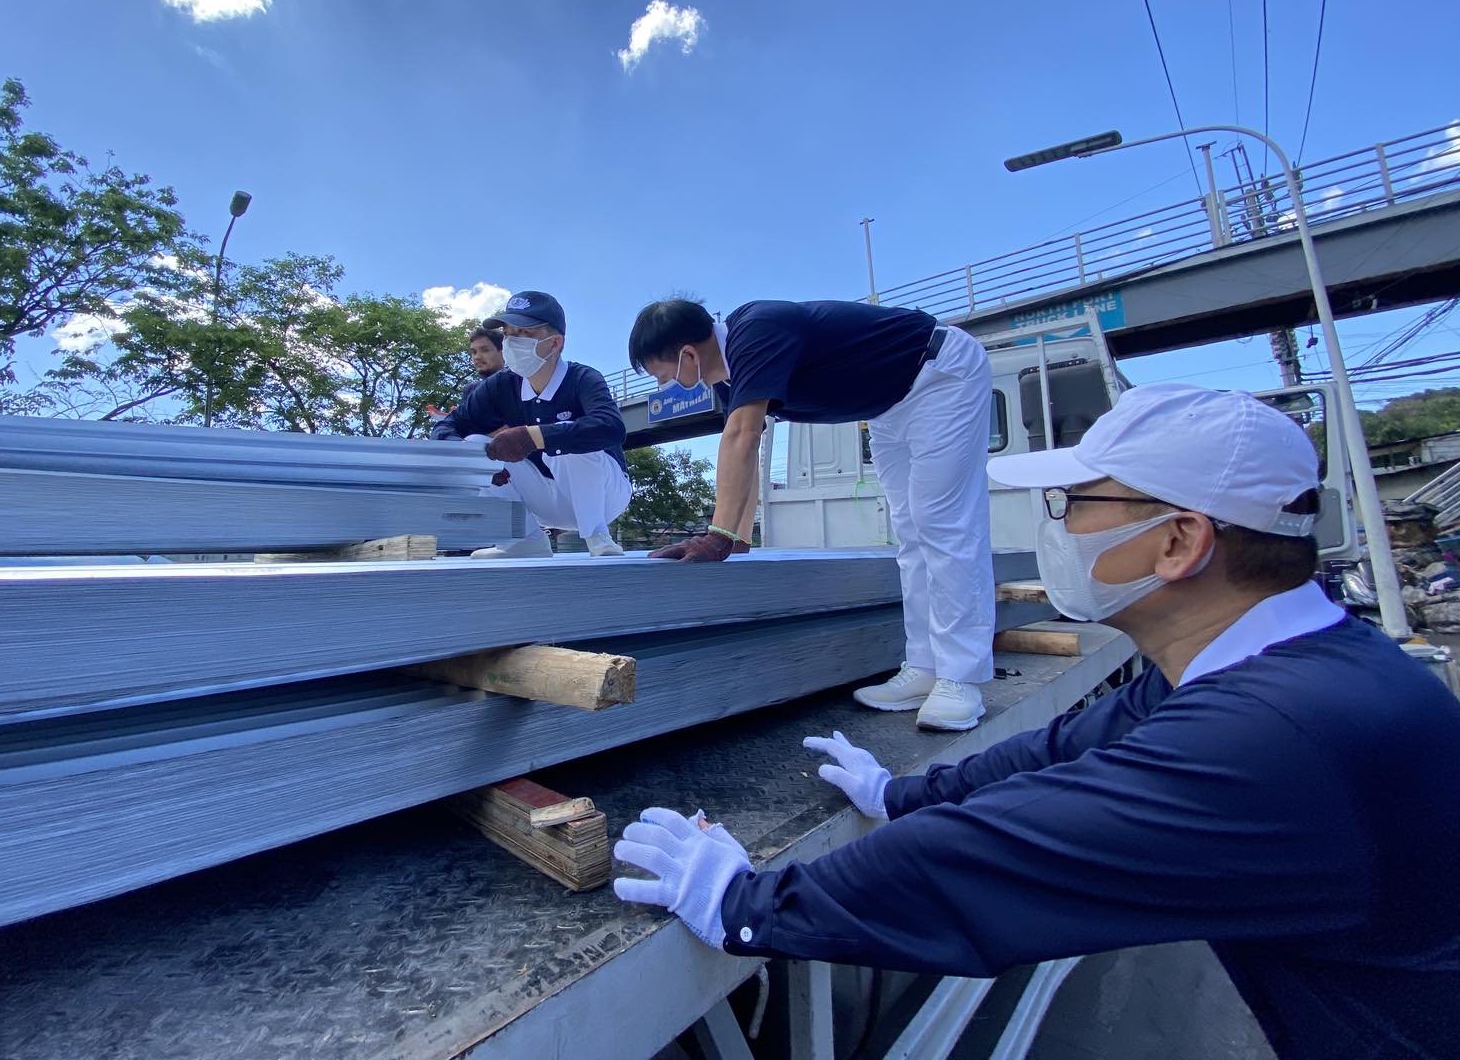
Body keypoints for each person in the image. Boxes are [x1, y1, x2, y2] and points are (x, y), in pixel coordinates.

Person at [611, 384, 1460, 1060]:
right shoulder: (1268, 663)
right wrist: (903, 793)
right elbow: (1063, 751)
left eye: (1075, 502)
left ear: (1179, 542)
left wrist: (745, 905)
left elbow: (987, 857)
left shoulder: (1278, 732)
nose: (1057, 525)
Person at [627, 298, 995, 730]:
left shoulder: (755, 330)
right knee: (911, 532)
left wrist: (715, 538)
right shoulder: (732, 378)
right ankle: (925, 666)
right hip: (887, 405)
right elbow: (747, 450)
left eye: (663, 373)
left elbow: (740, 436)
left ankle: (961, 678)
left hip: (939, 375)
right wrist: (737, 540)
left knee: (943, 525)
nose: (665, 384)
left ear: (688, 353)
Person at [434, 291, 631, 559]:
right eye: (509, 333)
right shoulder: (502, 385)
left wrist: (534, 437)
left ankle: (598, 537)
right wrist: (476, 463)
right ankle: (523, 541)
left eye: (525, 333)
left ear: (555, 343)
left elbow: (610, 428)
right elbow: (449, 426)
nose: (513, 342)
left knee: (569, 441)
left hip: (605, 498)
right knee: (475, 446)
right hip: (544, 501)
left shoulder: (582, 378)